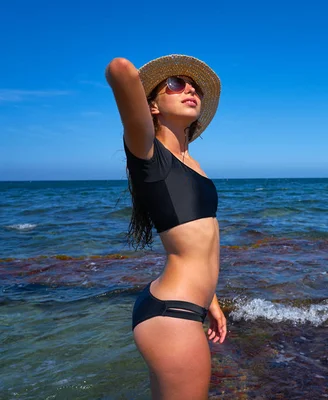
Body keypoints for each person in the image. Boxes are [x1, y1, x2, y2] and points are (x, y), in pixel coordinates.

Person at [105, 54, 227, 399]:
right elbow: (119, 68)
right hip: (173, 314)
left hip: (185, 306)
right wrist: (142, 98)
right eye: (175, 84)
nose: (190, 88)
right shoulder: (147, 152)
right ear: (152, 107)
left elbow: (198, 244)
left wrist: (212, 301)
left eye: (195, 88)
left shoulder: (192, 163)